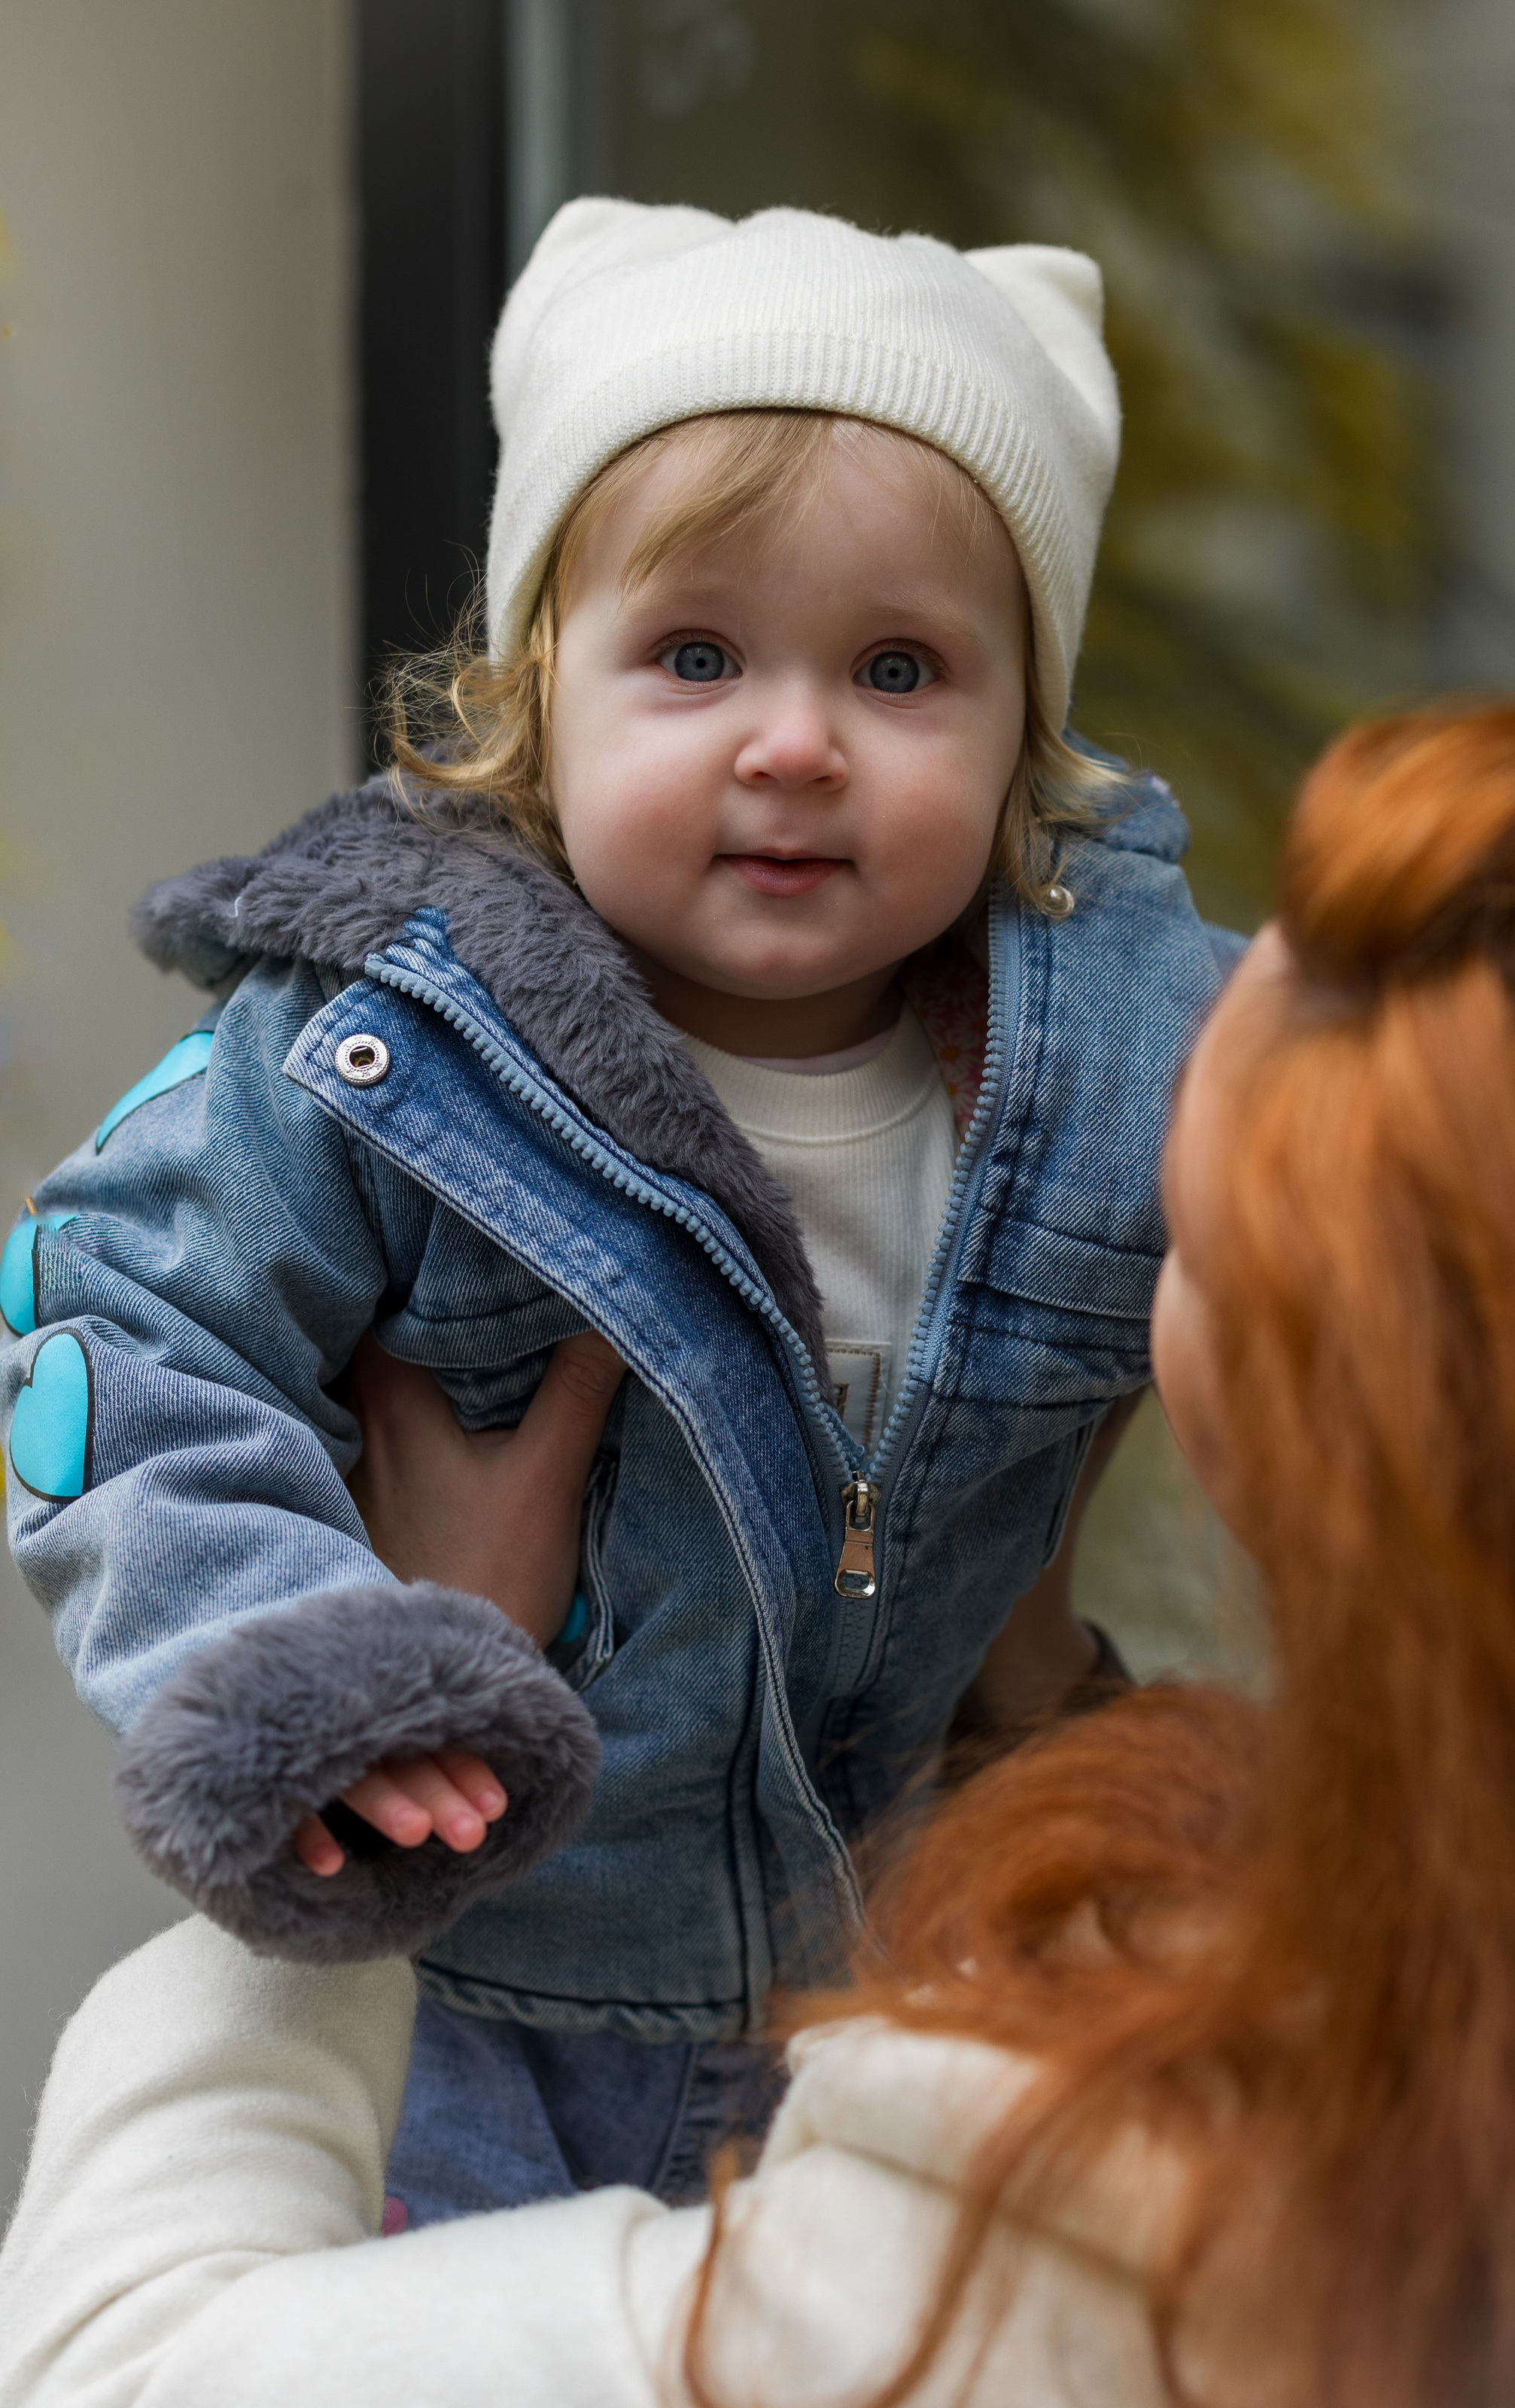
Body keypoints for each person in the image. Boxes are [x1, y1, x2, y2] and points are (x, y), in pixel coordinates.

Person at [8, 698, 1515, 2408]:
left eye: (1161, 1236)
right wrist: (1020, 1673)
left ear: (1326, 1426)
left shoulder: (1063, 2245)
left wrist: (376, 1746)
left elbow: (127, 2364)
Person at [0, 204, 1228, 2224]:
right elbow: (113, 1332)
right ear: (532, 698)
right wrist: (324, 1663)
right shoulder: (389, 1039)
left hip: (919, 1999)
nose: (796, 741)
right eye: (695, 656)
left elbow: (1410, 1217)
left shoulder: (1130, 1062)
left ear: (1031, 738)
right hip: (491, 1998)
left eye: (903, 668)